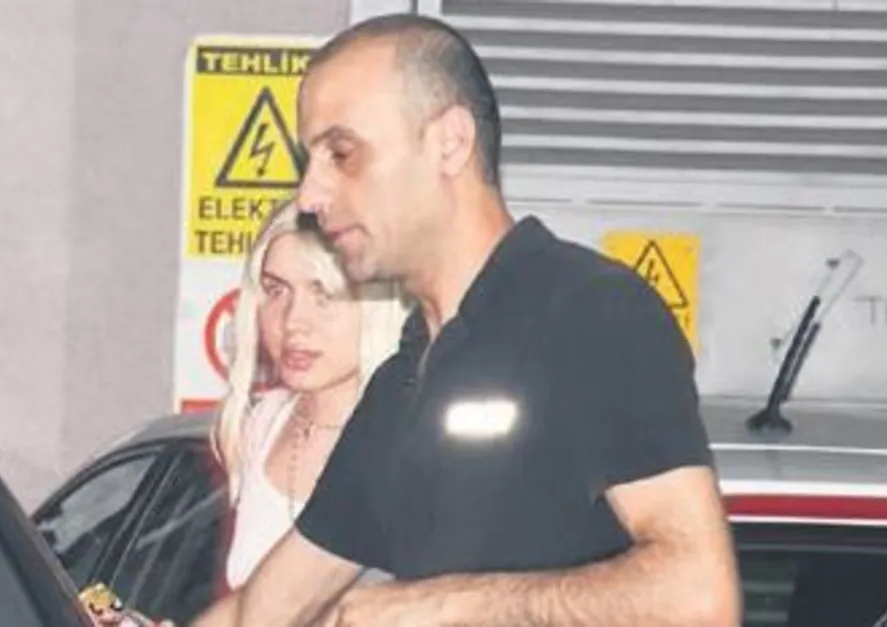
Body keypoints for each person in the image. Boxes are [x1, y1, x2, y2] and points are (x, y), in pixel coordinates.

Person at [192, 12, 741, 627]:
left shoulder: (590, 313)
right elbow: (265, 610)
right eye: (311, 161)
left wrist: (444, 605)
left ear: (450, 142)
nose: (311, 195)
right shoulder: (403, 379)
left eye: (342, 155)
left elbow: (698, 597)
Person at [89, 201, 407, 627]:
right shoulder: (263, 425)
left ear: (376, 302)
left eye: (324, 294)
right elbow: (250, 613)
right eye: (276, 291)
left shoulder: (408, 442)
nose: (293, 321)